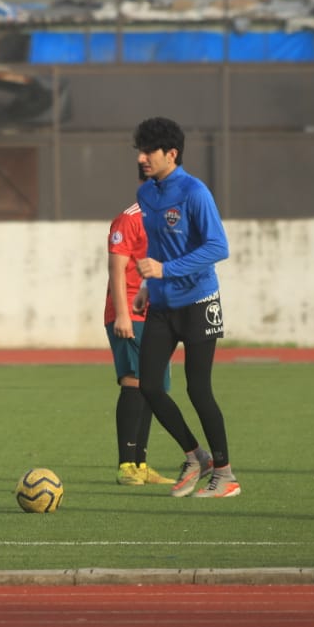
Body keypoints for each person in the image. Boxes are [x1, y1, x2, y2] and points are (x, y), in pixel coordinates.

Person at [130, 116, 239, 498]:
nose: (141, 157)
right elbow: (157, 247)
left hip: (198, 301)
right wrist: (147, 284)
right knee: (148, 386)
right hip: (161, 303)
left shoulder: (195, 192)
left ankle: (225, 475)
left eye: (149, 151)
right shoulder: (147, 193)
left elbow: (217, 247)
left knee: (198, 389)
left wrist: (166, 270)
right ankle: (196, 456)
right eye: (139, 150)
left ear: (171, 153)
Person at [106, 188, 174, 487]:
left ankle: (141, 465)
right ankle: (125, 465)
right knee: (134, 382)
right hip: (129, 313)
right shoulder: (128, 219)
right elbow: (117, 268)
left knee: (153, 387)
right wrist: (122, 314)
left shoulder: (165, 220)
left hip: (155, 313)